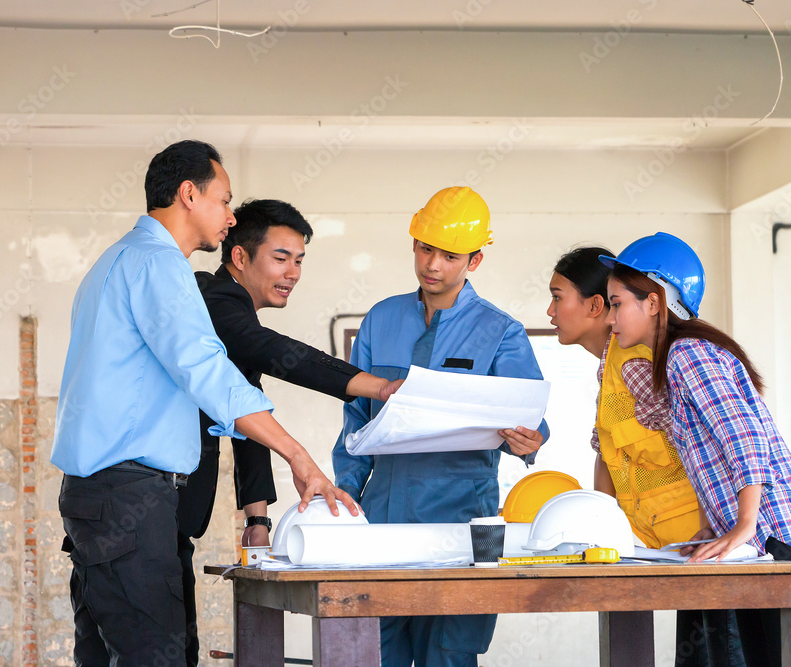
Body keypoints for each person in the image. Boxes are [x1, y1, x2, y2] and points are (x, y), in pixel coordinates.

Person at [51, 140, 357, 666]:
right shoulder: (157, 264)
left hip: (101, 498)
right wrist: (299, 456)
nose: (231, 216)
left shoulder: (115, 261)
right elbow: (207, 372)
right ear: (189, 195)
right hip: (127, 497)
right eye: (224, 200)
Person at [600, 232, 791, 666]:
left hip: (788, 545)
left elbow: (745, 438)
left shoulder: (689, 354)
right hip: (767, 547)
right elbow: (702, 459)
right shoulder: (673, 362)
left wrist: (743, 525)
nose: (610, 318)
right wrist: (711, 526)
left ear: (655, 302)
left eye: (617, 303)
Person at [178, 198, 401, 666]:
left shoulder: (232, 315)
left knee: (177, 650)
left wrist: (256, 521)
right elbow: (271, 349)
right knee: (161, 653)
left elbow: (246, 413)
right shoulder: (210, 298)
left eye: (299, 260)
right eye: (281, 258)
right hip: (142, 508)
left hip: (172, 519)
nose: (293, 272)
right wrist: (378, 387)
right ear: (239, 257)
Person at [333, 186, 550, 667]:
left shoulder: (501, 331)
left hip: (460, 524)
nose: (433, 264)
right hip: (382, 522)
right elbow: (355, 422)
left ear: (475, 260)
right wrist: (344, 497)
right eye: (424, 248)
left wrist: (529, 442)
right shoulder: (381, 319)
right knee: (375, 651)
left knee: (448, 655)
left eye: (449, 255)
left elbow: (531, 418)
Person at [548, 246, 744, 666]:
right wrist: (605, 531)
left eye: (557, 296)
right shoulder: (614, 364)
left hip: (705, 541)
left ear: (598, 305)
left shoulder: (639, 358)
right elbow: (610, 455)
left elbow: (711, 442)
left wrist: (729, 520)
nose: (549, 310)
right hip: (675, 545)